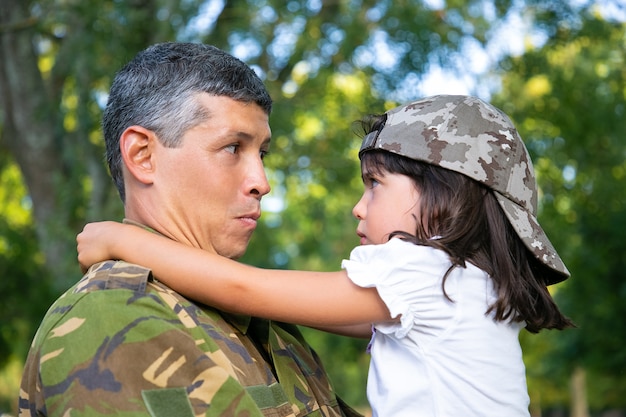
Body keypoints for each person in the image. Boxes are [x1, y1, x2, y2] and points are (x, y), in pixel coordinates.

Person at [77, 94, 575, 416]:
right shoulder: (467, 286)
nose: (359, 208)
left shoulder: (421, 272)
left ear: (443, 194)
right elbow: (291, 306)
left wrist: (123, 241)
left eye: (374, 186)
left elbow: (244, 289)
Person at [18, 42, 361, 417]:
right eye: (232, 148)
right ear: (142, 156)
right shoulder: (116, 314)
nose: (261, 182)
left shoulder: (263, 317)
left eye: (261, 154)